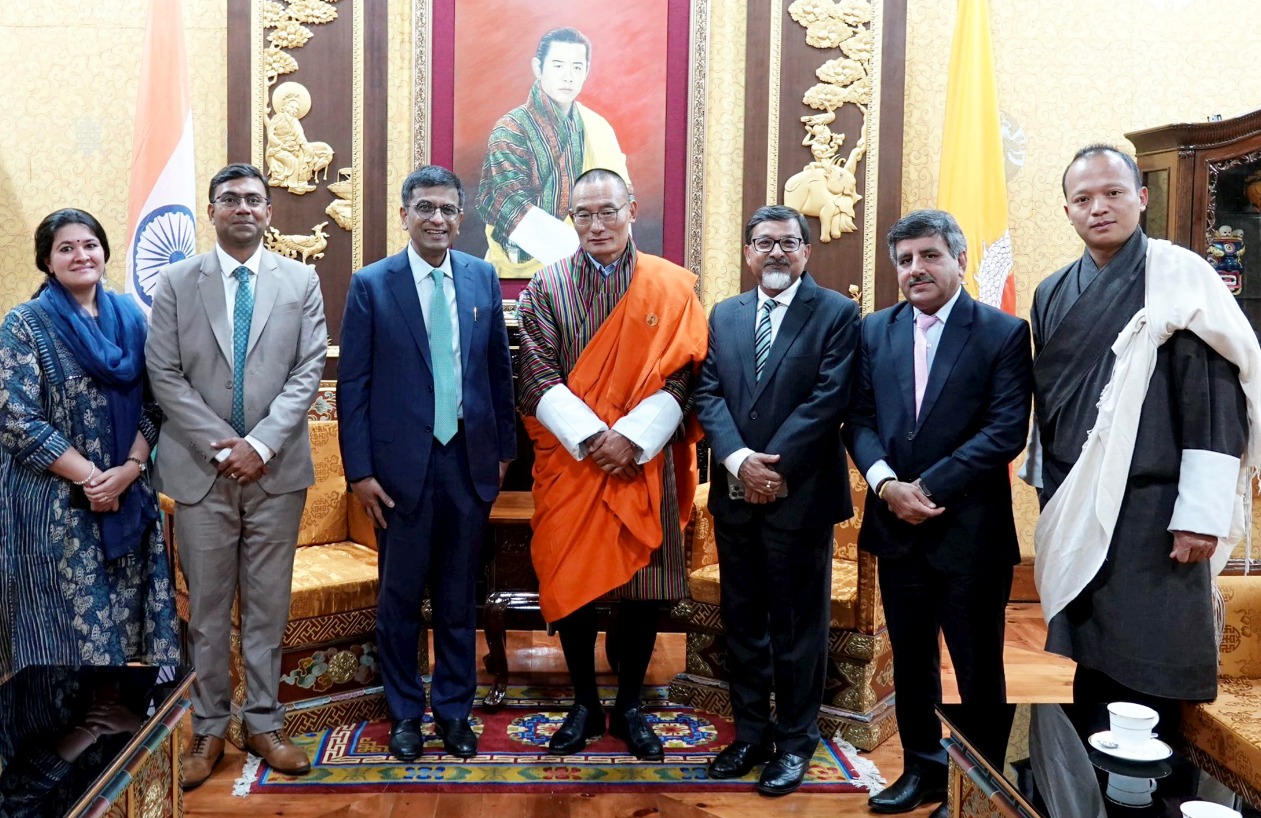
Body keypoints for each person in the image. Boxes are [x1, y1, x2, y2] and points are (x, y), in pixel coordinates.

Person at [1028, 145, 1260, 733]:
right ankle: (1090, 774)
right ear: (1067, 211)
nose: (1098, 208)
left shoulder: (1180, 279)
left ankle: (1152, 785)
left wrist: (1201, 514)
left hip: (1160, 510)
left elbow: (1213, 400)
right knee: (1091, 647)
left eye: (1113, 193)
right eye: (1083, 199)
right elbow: (1051, 405)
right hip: (1079, 498)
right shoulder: (1053, 291)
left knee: (1151, 657)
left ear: (1143, 197)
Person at [844, 210, 1032, 817]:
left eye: (929, 256)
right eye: (905, 260)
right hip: (897, 529)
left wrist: (924, 487)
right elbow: (861, 421)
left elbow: (1006, 430)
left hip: (969, 534)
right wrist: (886, 486)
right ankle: (924, 772)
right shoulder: (875, 330)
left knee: (979, 671)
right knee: (912, 661)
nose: (915, 270)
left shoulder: (1002, 332)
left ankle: (977, 787)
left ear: (960, 260)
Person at [516, 167, 707, 760]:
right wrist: (598, 438)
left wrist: (633, 440)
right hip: (575, 462)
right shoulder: (546, 287)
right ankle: (581, 702)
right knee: (571, 580)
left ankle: (629, 704)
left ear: (632, 209)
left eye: (608, 211)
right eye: (584, 214)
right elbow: (536, 374)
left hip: (645, 460)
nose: (596, 225)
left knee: (645, 586)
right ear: (570, 217)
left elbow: (686, 372)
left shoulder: (671, 286)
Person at [146, 163, 327, 788]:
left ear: (269, 211)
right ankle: (209, 728)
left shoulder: (301, 280)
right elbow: (164, 375)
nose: (243, 208)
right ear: (212, 210)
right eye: (230, 199)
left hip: (277, 472)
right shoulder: (174, 282)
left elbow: (308, 371)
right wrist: (226, 449)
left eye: (254, 199)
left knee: (268, 606)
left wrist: (260, 444)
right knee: (207, 611)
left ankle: (265, 723)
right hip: (200, 472)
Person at [337, 165, 517, 761]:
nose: (437, 219)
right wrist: (359, 472)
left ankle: (456, 712)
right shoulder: (372, 284)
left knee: (459, 597)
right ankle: (407, 713)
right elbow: (354, 385)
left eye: (447, 209)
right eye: (425, 208)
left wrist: (503, 453)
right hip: (397, 474)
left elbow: (498, 373)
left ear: (460, 217)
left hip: (468, 464)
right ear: (405, 214)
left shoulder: (482, 277)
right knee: (400, 598)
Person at [692, 205, 860, 796]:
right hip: (738, 495)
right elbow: (708, 393)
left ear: (806, 251)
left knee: (796, 628)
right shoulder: (726, 314)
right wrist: (739, 461)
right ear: (747, 253)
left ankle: (795, 741)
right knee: (743, 624)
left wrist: (771, 465)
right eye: (763, 243)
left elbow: (828, 399)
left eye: (788, 243)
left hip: (801, 496)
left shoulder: (838, 313)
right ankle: (750, 735)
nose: (775, 253)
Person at [0, 209, 179, 684]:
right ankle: (66, 749)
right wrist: (92, 479)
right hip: (55, 507)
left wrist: (130, 470)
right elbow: (14, 417)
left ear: (103, 252)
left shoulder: (133, 321)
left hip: (128, 494)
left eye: (89, 244)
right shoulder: (24, 325)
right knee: (67, 641)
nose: (81, 255)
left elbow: (156, 401)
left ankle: (121, 743)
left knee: (126, 644)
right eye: (66, 248)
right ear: (47, 261)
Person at [476, 27, 632, 278]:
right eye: (558, 66)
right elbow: (510, 204)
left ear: (586, 71)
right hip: (521, 269)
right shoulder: (511, 128)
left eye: (577, 67)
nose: (568, 77)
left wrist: (614, 262)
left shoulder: (597, 127)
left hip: (597, 268)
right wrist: (586, 258)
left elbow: (622, 198)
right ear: (538, 68)